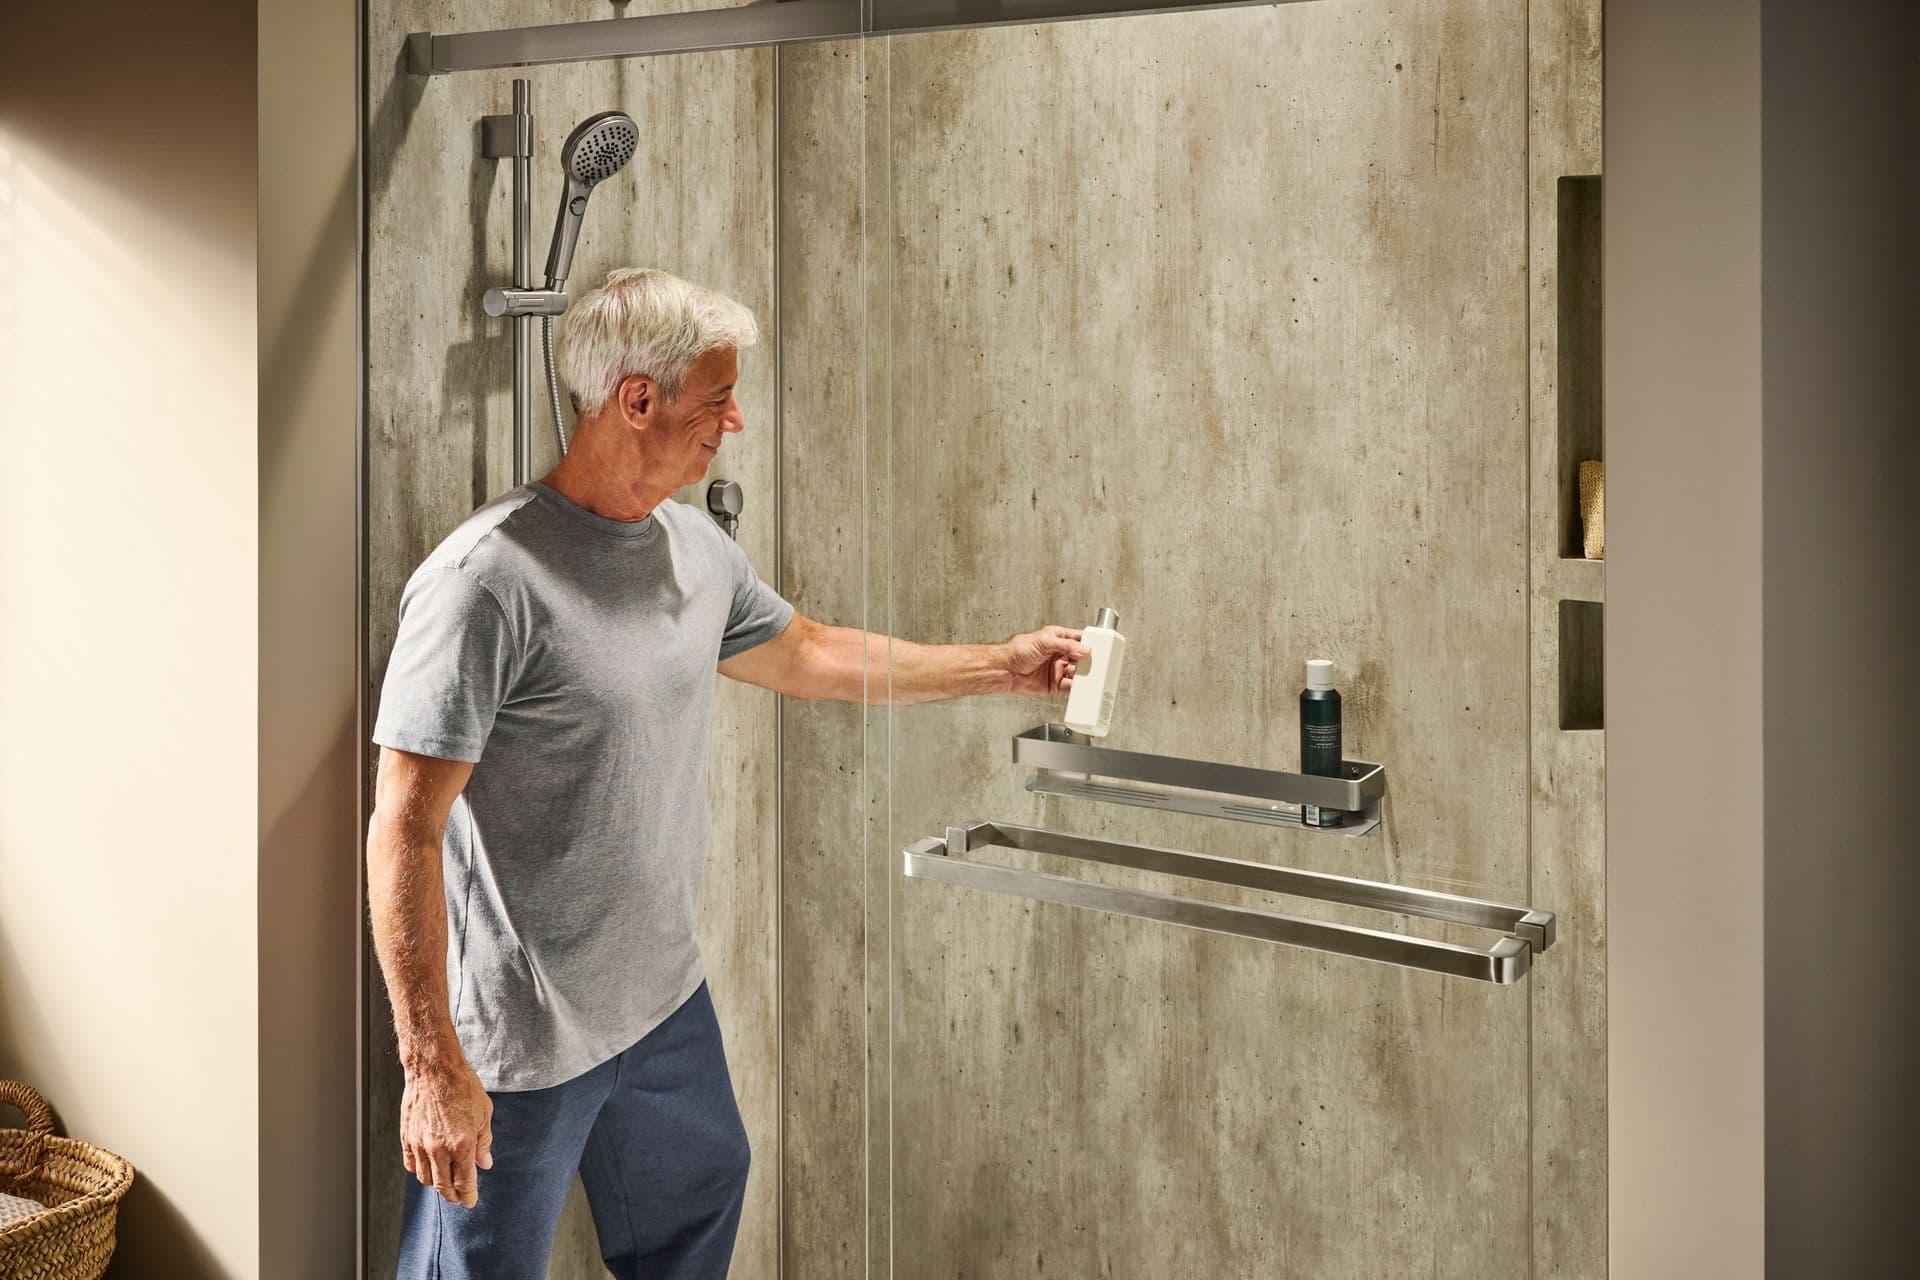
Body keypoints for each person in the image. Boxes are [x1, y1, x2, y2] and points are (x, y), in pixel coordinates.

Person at [367, 267, 1088, 1279]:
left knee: (704, 1197)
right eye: (716, 398)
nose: (735, 420)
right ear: (636, 400)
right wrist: (431, 1064)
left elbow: (815, 652)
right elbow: (404, 825)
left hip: (660, 1001)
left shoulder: (692, 549)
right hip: (522, 1036)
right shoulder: (485, 583)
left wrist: (999, 664)